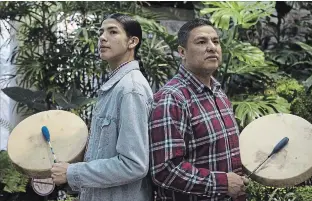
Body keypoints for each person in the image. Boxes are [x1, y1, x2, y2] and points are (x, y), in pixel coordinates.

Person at [50, 13, 153, 201]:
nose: (102, 37)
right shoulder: (116, 85)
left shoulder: (130, 89)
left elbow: (134, 164)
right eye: (101, 32)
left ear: (132, 42)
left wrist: (73, 172)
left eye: (113, 31)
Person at [148, 18, 248, 201]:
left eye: (215, 41)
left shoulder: (218, 93)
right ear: (182, 52)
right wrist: (223, 183)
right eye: (201, 42)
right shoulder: (172, 99)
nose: (212, 47)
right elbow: (166, 170)